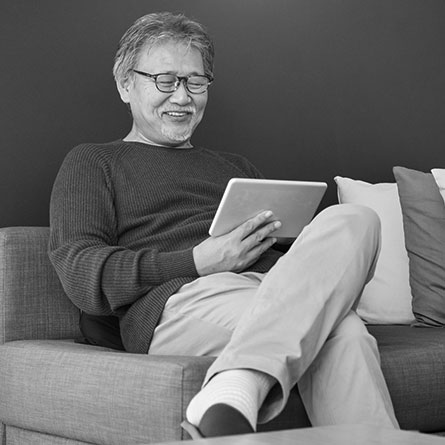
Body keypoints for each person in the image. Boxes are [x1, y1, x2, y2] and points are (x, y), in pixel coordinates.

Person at [49, 11, 400, 438]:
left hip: (270, 291)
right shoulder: (93, 162)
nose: (182, 97)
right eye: (165, 80)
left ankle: (234, 388)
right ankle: (237, 388)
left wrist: (288, 248)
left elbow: (288, 263)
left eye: (195, 82)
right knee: (341, 333)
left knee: (355, 218)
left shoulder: (237, 167)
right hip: (181, 302)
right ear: (126, 85)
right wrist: (200, 260)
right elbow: (82, 273)